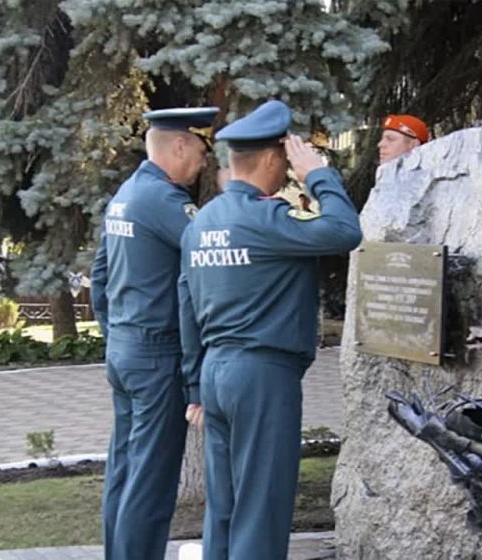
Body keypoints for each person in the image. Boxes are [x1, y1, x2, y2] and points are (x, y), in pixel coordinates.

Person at [177, 100, 363, 559]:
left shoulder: (201, 223)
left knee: (224, 509)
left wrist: (194, 384)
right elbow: (344, 230)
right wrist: (317, 174)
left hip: (216, 373)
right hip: (262, 376)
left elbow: (186, 304)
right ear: (272, 158)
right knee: (261, 507)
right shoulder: (266, 219)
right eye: (287, 158)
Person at [90, 105, 217, 560]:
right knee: (151, 480)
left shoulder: (126, 194)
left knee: (124, 471)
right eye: (202, 149)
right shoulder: (164, 202)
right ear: (180, 144)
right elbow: (210, 257)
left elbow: (100, 276)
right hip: (156, 355)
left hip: (125, 351)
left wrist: (118, 334)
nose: (205, 161)